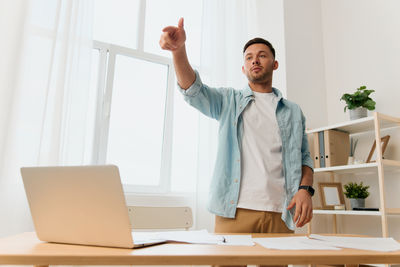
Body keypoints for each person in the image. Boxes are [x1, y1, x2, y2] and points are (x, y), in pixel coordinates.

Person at [159, 18, 314, 234]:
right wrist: (178, 50)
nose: (255, 61)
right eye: (249, 57)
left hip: (281, 211)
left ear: (275, 64)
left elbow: (304, 157)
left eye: (262, 55)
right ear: (243, 68)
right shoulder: (228, 101)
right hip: (234, 210)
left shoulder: (293, 111)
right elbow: (193, 90)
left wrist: (305, 190)